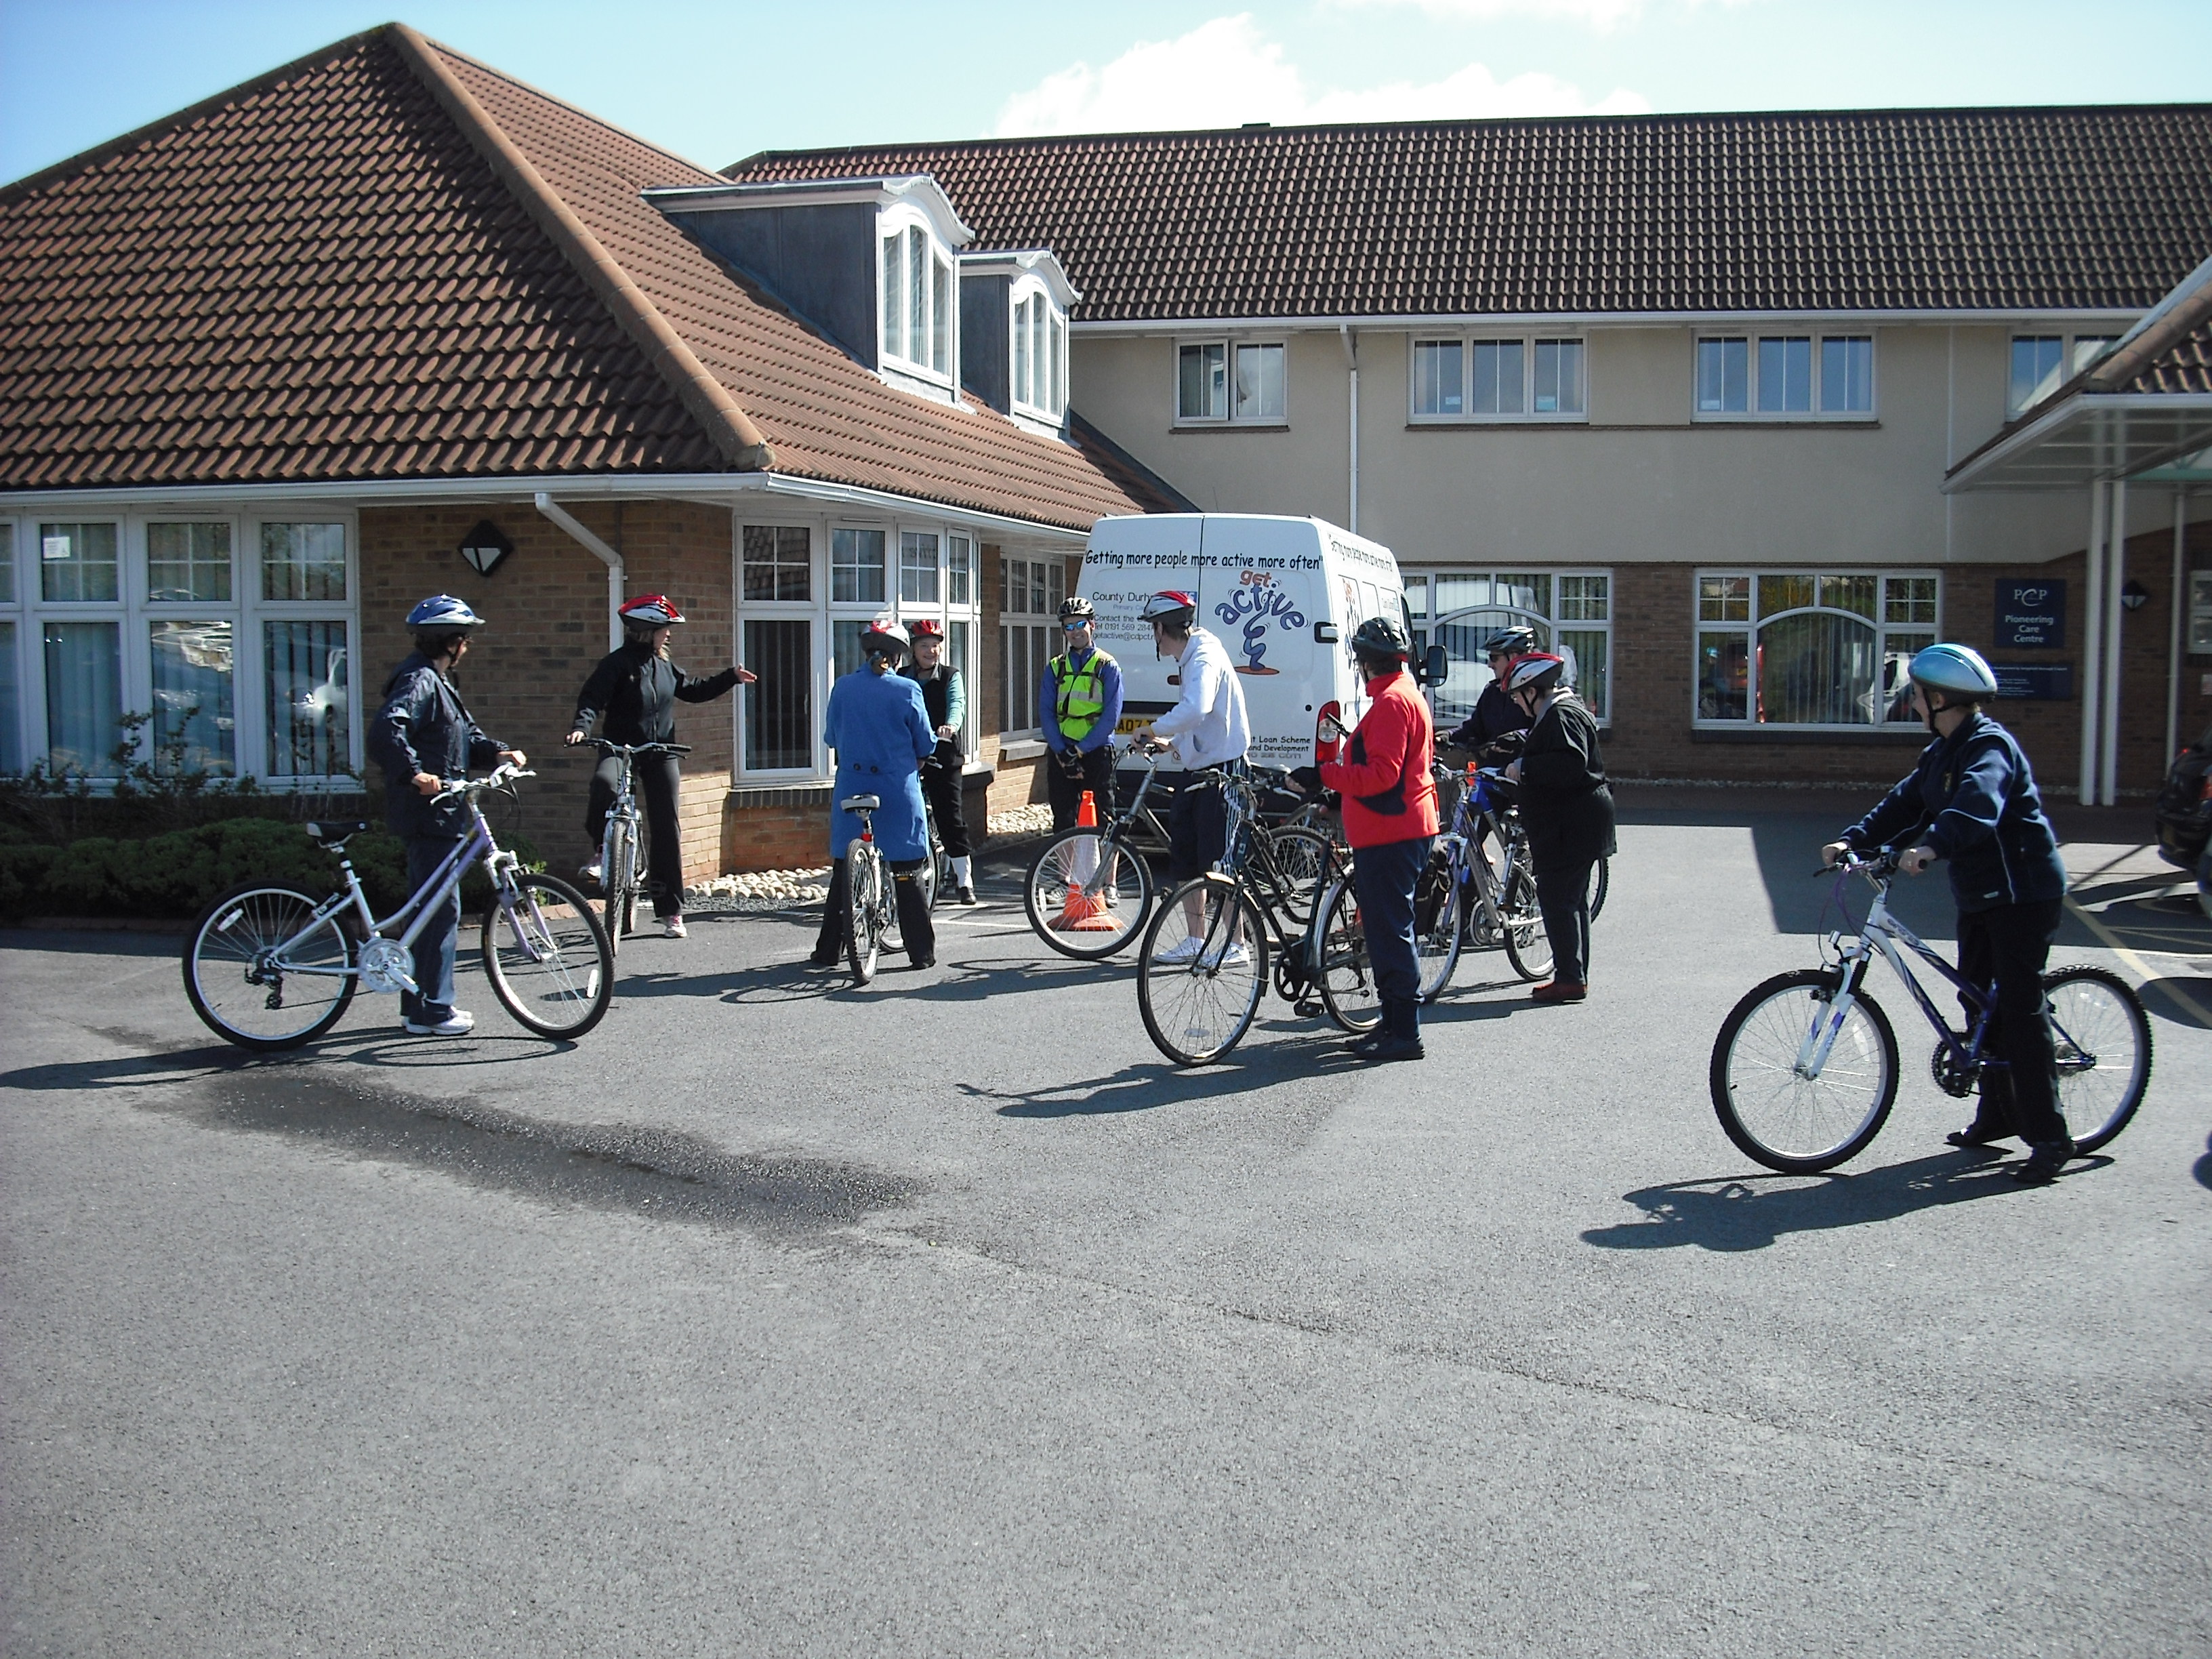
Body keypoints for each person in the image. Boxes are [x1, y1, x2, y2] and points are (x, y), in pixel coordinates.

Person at [1821, 643, 2074, 1185]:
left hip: (2024, 893)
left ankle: (2051, 1137)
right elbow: (1904, 803)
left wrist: (1931, 846)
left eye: (1915, 695)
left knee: (2019, 1008)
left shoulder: (1990, 748)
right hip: (1981, 894)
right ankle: (1999, 1115)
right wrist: (1854, 840)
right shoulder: (1940, 753)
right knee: (1979, 1003)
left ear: (1939, 699)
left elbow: (1976, 806)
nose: (1911, 704)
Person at [365, 595, 525, 1038]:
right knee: (438, 910)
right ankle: (430, 1010)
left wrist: (496, 751)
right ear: (451, 642)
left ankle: (419, 1002)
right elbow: (386, 730)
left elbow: (463, 738)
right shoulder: (419, 680)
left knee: (432, 908)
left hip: (444, 813)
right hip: (430, 814)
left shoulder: (438, 680)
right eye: (466, 640)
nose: (468, 647)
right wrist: (415, 773)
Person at [565, 594, 754, 939]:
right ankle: (602, 849)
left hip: (660, 750)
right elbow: (591, 698)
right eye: (664, 629)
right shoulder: (616, 665)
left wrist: (731, 677)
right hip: (620, 747)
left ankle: (671, 911)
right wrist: (581, 727)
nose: (668, 634)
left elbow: (693, 690)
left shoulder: (664, 665)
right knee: (604, 785)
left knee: (667, 825)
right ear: (646, 630)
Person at [1317, 617, 1439, 1062]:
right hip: (1396, 829)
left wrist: (1324, 775)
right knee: (1387, 930)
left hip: (1393, 833)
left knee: (1390, 932)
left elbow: (1383, 776)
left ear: (1366, 663)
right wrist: (1337, 795)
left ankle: (1405, 1032)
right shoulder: (1404, 695)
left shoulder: (1391, 703)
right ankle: (1391, 1024)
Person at [811, 617, 939, 971]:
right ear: (900, 655)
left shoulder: (843, 687)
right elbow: (925, 741)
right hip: (895, 787)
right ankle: (921, 953)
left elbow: (832, 738)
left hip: (852, 787)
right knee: (906, 869)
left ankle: (828, 951)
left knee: (845, 869)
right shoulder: (907, 689)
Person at [1134, 590, 1252, 963]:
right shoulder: (1191, 657)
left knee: (1219, 861)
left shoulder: (1204, 655)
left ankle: (1237, 944)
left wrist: (1152, 730)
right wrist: (1170, 742)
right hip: (1198, 768)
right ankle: (1195, 939)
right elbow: (1198, 718)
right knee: (1185, 855)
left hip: (1224, 771)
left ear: (1159, 628)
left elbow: (1197, 707)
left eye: (1153, 630)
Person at [1502, 651, 1614, 1004]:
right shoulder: (1564, 710)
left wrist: (1526, 769)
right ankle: (1573, 974)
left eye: (1519, 696)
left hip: (1571, 824)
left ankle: (1569, 978)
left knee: (1557, 898)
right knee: (1572, 900)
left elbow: (1569, 763)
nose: (1518, 704)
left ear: (1533, 691)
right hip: (1580, 821)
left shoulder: (1561, 715)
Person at [901, 619, 977, 905]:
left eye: (935, 645)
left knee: (950, 816)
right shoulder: (902, 676)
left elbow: (958, 704)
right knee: (908, 813)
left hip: (943, 753)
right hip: (911, 754)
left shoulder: (949, 675)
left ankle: (964, 880)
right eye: (924, 646)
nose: (931, 651)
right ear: (913, 649)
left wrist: (950, 726)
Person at [1040, 596, 1124, 834]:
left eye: (1080, 625)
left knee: (1104, 822)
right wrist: (1062, 751)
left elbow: (1111, 717)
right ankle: (1064, 873)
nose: (1075, 632)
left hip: (1096, 751)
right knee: (1063, 822)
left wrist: (1079, 751)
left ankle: (1107, 872)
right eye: (1069, 626)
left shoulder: (1107, 665)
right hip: (1062, 752)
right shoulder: (1055, 667)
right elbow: (1046, 712)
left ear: (1092, 625)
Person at [1439, 626, 1537, 761]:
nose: (1490, 664)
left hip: (1521, 773)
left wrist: (1516, 738)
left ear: (1514, 656)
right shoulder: (1492, 692)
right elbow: (1474, 728)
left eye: (1494, 658)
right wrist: (1448, 735)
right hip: (1491, 771)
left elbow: (1543, 733)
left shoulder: (1537, 693)